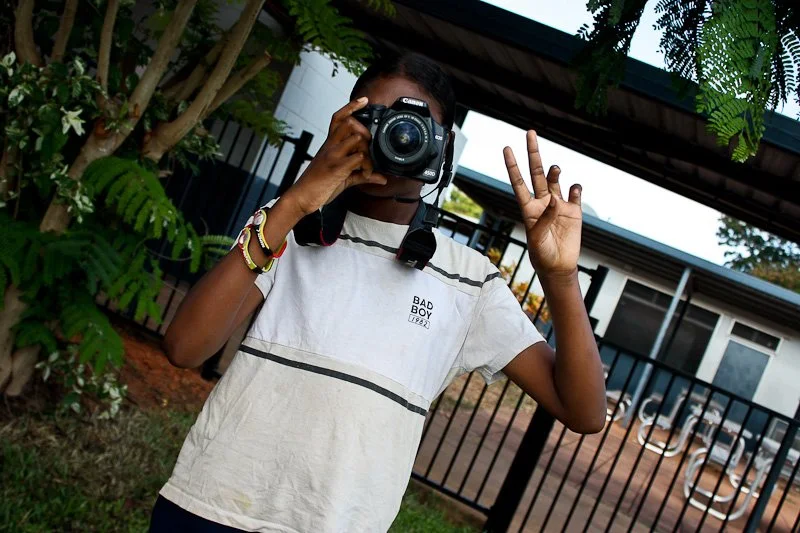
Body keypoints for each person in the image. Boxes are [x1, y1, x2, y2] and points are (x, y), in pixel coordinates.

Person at [150, 52, 606, 532]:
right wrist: (297, 201)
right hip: (208, 509)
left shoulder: (469, 281)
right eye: (374, 120)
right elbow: (185, 347)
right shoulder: (288, 225)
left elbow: (584, 411)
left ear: (442, 147)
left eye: (413, 125)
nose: (396, 136)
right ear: (341, 127)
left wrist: (559, 279)